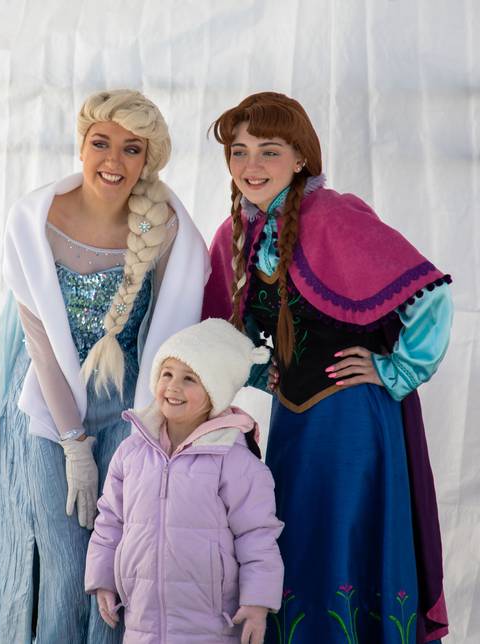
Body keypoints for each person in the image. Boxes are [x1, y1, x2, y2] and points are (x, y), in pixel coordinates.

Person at [202, 91, 452, 643]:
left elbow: (431, 297)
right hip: (291, 425)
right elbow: (225, 334)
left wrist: (396, 371)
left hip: (355, 423)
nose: (251, 166)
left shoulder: (334, 214)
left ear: (300, 158)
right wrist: (253, 372)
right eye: (239, 152)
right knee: (297, 539)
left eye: (269, 151)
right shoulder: (235, 235)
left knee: (343, 538)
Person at [0, 90, 210, 643]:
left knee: (117, 565)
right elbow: (42, 346)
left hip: (127, 417)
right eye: (101, 143)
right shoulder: (34, 219)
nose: (113, 161)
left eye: (132, 150)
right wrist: (73, 442)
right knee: (65, 560)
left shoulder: (168, 226)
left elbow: (171, 338)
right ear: (81, 146)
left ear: (147, 161)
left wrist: (147, 436)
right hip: (50, 412)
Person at [85, 318, 283, 644]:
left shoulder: (233, 461)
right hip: (142, 621)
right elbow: (110, 522)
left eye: (189, 378)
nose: (173, 386)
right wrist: (102, 578)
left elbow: (257, 536)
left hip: (211, 625)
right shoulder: (132, 453)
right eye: (166, 374)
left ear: (214, 392)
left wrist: (257, 601)